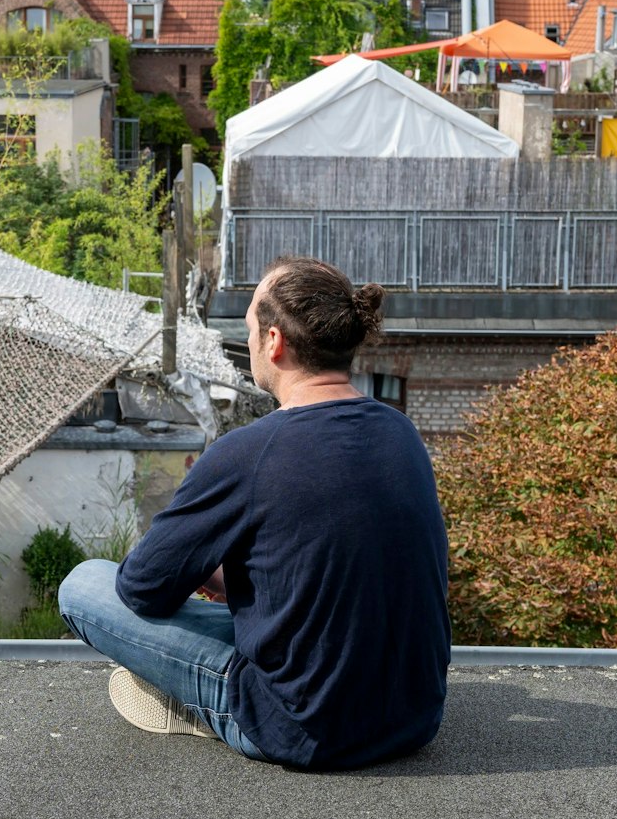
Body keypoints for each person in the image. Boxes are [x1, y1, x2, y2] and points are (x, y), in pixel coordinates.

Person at [57, 256, 450, 770]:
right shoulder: (401, 434)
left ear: (274, 341)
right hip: (414, 717)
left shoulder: (247, 453)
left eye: (248, 329)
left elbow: (142, 588)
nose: (247, 344)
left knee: (84, 583)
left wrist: (212, 570)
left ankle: (200, 706)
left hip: (302, 729)